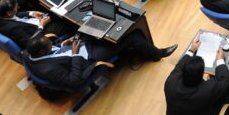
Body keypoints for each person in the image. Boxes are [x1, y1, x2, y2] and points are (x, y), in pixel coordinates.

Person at [23, 32, 176, 91]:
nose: (52, 43)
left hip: (76, 47)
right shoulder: (48, 70)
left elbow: (55, 51)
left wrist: (66, 44)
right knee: (132, 35)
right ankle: (157, 54)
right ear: (42, 51)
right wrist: (75, 55)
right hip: (89, 57)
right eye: (49, 44)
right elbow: (73, 81)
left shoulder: (29, 53)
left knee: (84, 29)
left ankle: (137, 50)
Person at [165, 36, 229, 115]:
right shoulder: (207, 90)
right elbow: (224, 80)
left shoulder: (171, 81)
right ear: (202, 74)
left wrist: (191, 50)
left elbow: (179, 66)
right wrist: (220, 60)